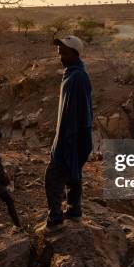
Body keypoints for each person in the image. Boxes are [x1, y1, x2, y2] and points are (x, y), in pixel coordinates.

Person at [45, 35, 93, 228]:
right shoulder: (73, 74)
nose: (61, 57)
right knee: (73, 173)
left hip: (72, 135)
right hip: (74, 134)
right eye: (59, 53)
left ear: (75, 53)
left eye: (64, 53)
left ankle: (56, 218)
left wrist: (66, 140)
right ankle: (74, 209)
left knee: (53, 176)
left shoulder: (77, 77)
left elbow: (76, 114)